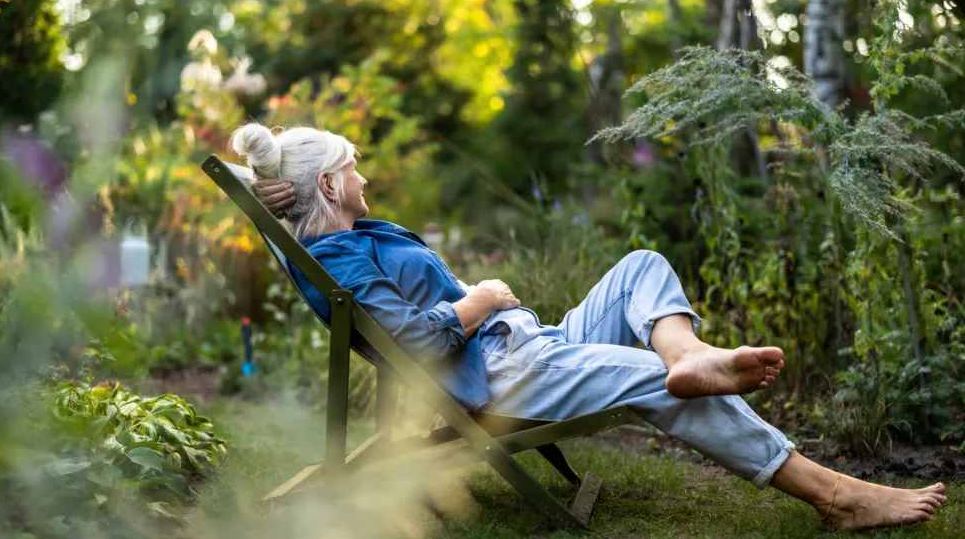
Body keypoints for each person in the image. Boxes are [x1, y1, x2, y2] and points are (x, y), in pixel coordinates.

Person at [232, 123, 947, 530]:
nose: (365, 176)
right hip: (503, 374)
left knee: (640, 266)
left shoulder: (345, 236)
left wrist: (262, 178)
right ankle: (835, 495)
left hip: (527, 344)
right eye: (353, 168)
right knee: (652, 381)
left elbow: (265, 198)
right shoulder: (340, 259)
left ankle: (689, 354)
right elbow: (416, 343)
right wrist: (481, 300)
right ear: (328, 185)